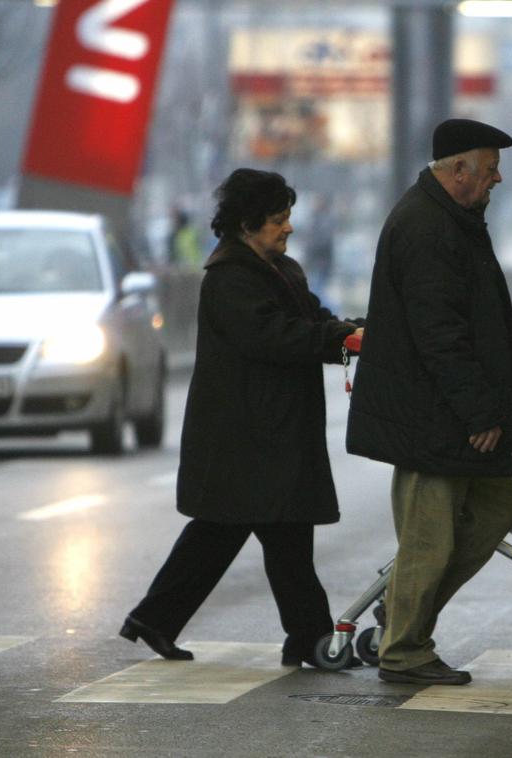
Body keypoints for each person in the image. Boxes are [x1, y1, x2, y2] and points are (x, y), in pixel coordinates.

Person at [121, 168, 363, 668]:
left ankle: (158, 620)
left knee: (237, 535)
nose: (288, 228)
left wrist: (350, 330)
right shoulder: (229, 280)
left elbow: (311, 319)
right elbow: (273, 337)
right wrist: (337, 341)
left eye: (288, 218)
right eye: (277, 220)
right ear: (247, 224)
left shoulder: (282, 269)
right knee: (275, 537)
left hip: (269, 433)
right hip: (245, 436)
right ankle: (311, 639)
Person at [346, 118, 512, 686]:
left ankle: (408, 611)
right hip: (434, 417)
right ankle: (404, 651)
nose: (497, 179)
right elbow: (440, 334)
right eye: (489, 170)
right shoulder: (426, 227)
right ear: (459, 172)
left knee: (497, 508)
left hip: (450, 411)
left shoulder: (453, 218)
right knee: (428, 539)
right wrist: (480, 411)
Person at [168, 207, 204, 271]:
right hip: (192, 267)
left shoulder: (179, 235)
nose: (174, 222)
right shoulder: (192, 232)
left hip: (189, 267)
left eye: (176, 220)